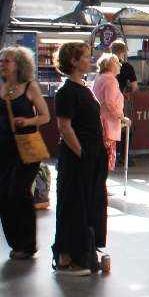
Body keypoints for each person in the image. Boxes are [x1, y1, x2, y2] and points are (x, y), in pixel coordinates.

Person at [51, 42, 108, 275]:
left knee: (90, 203)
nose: (90, 60)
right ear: (73, 61)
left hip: (92, 153)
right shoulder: (66, 91)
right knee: (73, 204)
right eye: (85, 56)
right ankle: (67, 255)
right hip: (78, 156)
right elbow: (64, 127)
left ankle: (84, 250)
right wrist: (82, 154)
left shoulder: (85, 88)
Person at [0, 47, 49, 260]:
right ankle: (15, 242)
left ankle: (27, 244)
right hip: (3, 146)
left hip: (27, 146)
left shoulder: (30, 87)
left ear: (18, 64)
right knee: (4, 196)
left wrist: (28, 121)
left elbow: (45, 116)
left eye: (6, 60)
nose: (2, 64)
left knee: (19, 191)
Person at [92, 53, 129, 173]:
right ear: (110, 65)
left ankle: (101, 185)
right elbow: (110, 103)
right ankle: (102, 187)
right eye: (117, 62)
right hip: (108, 122)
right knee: (107, 154)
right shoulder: (110, 80)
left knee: (100, 154)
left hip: (99, 119)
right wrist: (122, 117)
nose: (120, 65)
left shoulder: (99, 77)